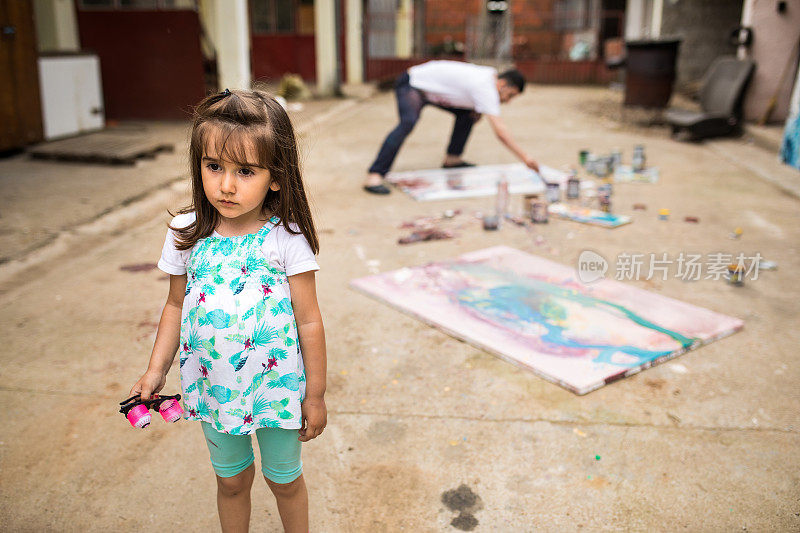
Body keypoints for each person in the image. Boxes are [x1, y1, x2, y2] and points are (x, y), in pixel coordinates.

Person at [129, 88, 327, 533]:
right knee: (233, 481)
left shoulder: (286, 237)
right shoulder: (186, 232)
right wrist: (155, 370)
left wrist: (314, 394)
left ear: (276, 177)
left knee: (284, 482)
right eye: (213, 166)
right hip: (214, 387)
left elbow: (309, 320)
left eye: (246, 171)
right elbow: (175, 305)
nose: (226, 185)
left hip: (276, 391)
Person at [363, 60, 540, 194]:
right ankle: (375, 174)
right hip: (413, 84)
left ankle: (452, 159)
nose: (507, 101)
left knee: (469, 115)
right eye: (509, 95)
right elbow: (500, 131)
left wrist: (476, 112)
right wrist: (525, 158)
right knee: (407, 122)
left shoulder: (489, 76)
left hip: (434, 92)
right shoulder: (485, 87)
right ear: (502, 84)